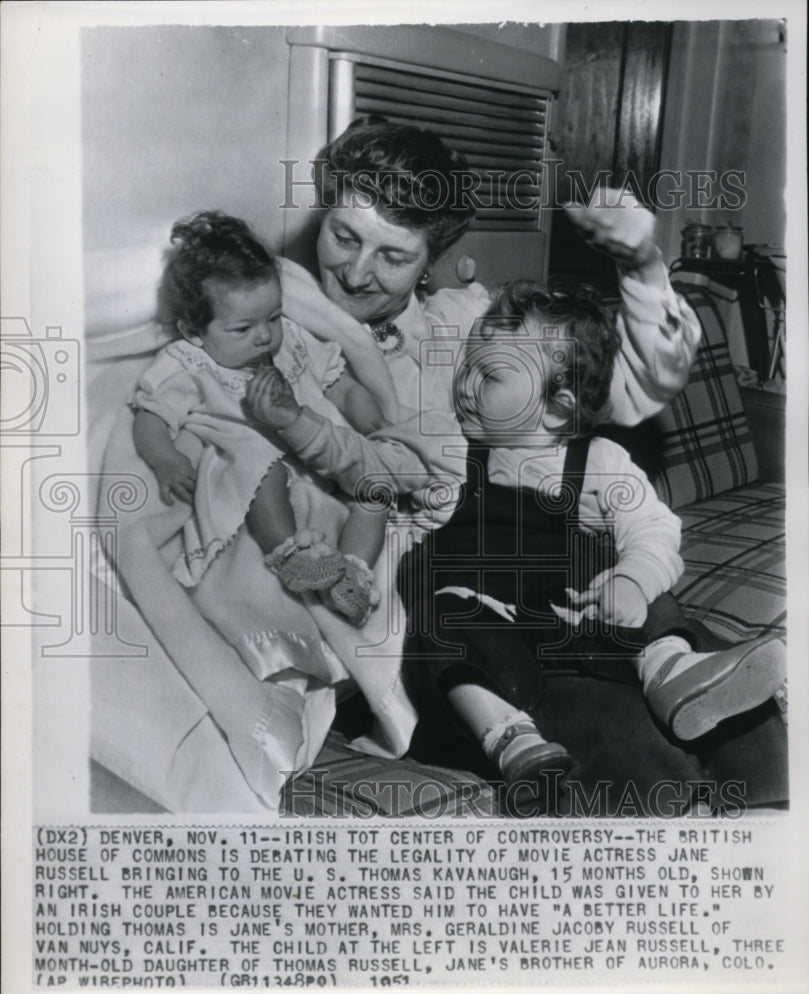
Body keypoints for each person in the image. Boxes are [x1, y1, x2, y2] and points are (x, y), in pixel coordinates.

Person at [248, 115, 786, 813]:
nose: (353, 271)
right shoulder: (271, 325)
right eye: (343, 236)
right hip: (463, 616)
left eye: (391, 255)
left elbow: (625, 388)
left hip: (568, 582)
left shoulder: (463, 324)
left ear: (429, 260)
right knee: (622, 753)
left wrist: (643, 267)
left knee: (739, 730)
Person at [393, 279, 786, 809]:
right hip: (528, 664)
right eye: (467, 366)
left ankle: (681, 681)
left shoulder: (598, 463)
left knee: (726, 684)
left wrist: (631, 578)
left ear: (558, 408)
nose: (464, 386)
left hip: (607, 628)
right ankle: (511, 737)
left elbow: (655, 531)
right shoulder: (453, 455)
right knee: (606, 727)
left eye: (487, 375)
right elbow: (398, 511)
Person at [131, 210, 388, 625]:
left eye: (272, 318)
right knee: (259, 465)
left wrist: (372, 420)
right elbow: (151, 416)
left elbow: (340, 382)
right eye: (243, 329)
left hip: (322, 463)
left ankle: (352, 575)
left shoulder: (293, 342)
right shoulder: (189, 362)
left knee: (374, 495)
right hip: (260, 477)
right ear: (194, 331)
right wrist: (165, 459)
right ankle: (292, 555)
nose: (265, 335)